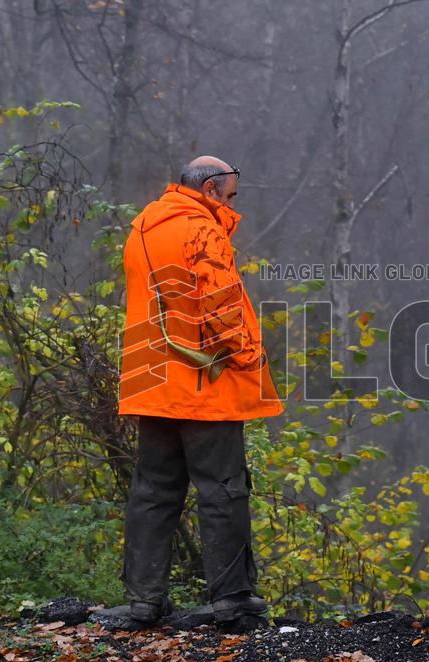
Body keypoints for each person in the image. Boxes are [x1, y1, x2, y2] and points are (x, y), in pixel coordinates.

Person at [103, 155, 284, 628]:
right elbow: (220, 301)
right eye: (229, 194)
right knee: (223, 490)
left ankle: (144, 603)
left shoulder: (143, 226)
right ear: (208, 188)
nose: (231, 203)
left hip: (153, 382)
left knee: (153, 491)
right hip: (205, 383)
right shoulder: (200, 230)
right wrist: (247, 356)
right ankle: (232, 603)